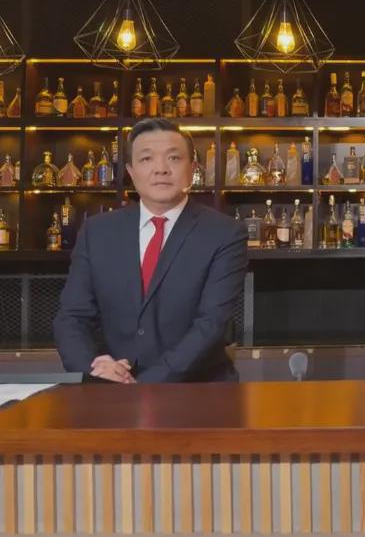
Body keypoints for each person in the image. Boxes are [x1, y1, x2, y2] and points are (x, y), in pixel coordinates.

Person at [54, 118, 247, 383]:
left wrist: (142, 384)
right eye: (146, 159)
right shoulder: (97, 232)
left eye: (173, 158)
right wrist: (93, 370)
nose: (161, 169)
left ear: (192, 169)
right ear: (131, 172)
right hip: (111, 387)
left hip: (197, 389)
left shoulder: (225, 233)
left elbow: (211, 324)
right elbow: (72, 317)